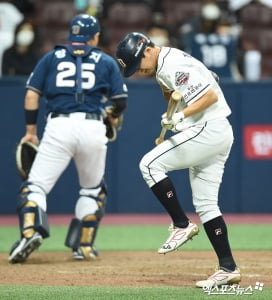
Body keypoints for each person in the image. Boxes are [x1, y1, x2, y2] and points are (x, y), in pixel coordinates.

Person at [116, 32, 241, 288]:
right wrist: (171, 114)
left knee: (149, 165)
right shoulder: (164, 63)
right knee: (207, 205)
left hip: (209, 128)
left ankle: (181, 224)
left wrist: (181, 117)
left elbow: (209, 96)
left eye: (137, 64)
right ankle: (228, 267)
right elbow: (172, 90)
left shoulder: (172, 64)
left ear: (147, 50)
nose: (137, 71)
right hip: (216, 132)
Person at [8, 13, 128, 264]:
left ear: (72, 34)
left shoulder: (51, 57)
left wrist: (31, 131)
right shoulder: (105, 60)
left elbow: (32, 95)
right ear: (95, 36)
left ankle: (30, 232)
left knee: (36, 186)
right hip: (93, 127)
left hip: (59, 125)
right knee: (93, 189)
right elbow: (120, 101)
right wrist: (113, 117)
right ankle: (83, 246)